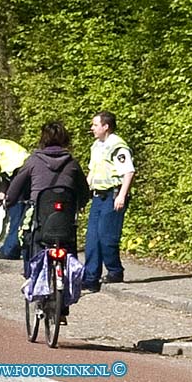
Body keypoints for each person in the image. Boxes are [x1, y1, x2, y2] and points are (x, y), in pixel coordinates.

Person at [6, 122, 89, 274]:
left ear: (42, 139)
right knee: (69, 242)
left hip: (40, 217)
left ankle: (31, 276)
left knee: (27, 240)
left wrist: (9, 201)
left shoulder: (33, 161)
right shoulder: (72, 163)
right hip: (65, 218)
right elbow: (84, 190)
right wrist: (81, 202)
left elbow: (16, 187)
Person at [82, 111, 135, 291]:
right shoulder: (96, 146)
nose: (92, 128)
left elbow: (128, 171)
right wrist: (83, 194)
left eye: (95, 125)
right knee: (92, 238)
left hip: (113, 195)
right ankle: (90, 277)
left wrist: (122, 195)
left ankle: (115, 271)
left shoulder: (118, 146)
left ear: (106, 127)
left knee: (107, 237)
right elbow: (92, 171)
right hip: (98, 196)